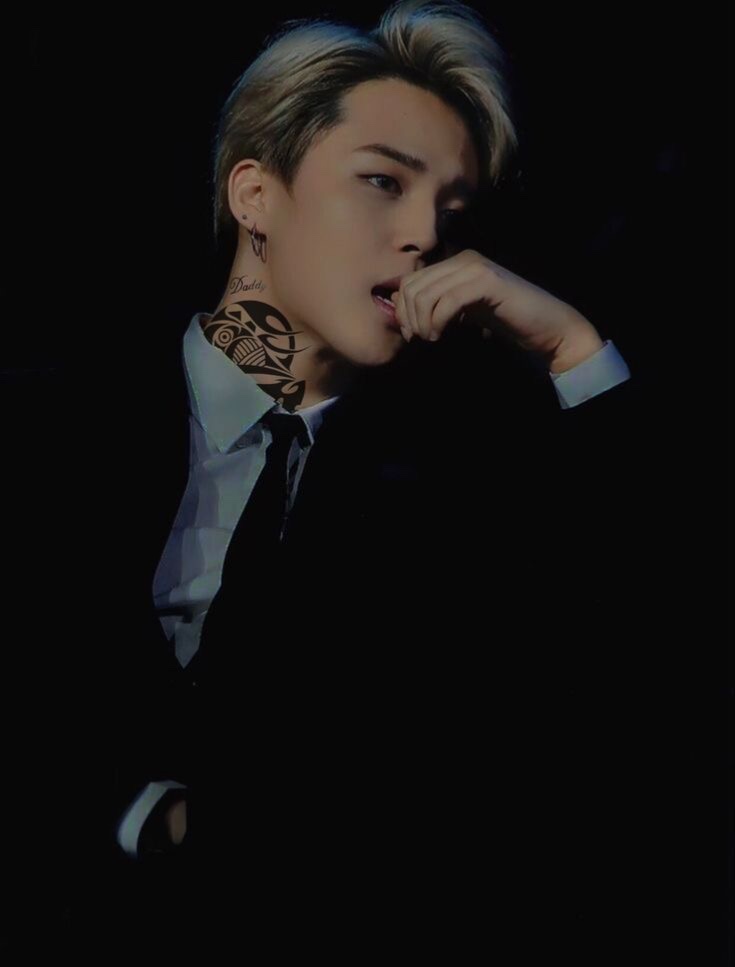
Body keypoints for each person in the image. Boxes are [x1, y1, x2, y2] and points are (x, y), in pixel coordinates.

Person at [28, 0, 666, 955]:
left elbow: (639, 671)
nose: (424, 233)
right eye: (382, 181)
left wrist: (572, 348)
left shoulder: (458, 488)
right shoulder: (54, 420)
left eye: (452, 211)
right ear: (255, 194)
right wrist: (142, 819)